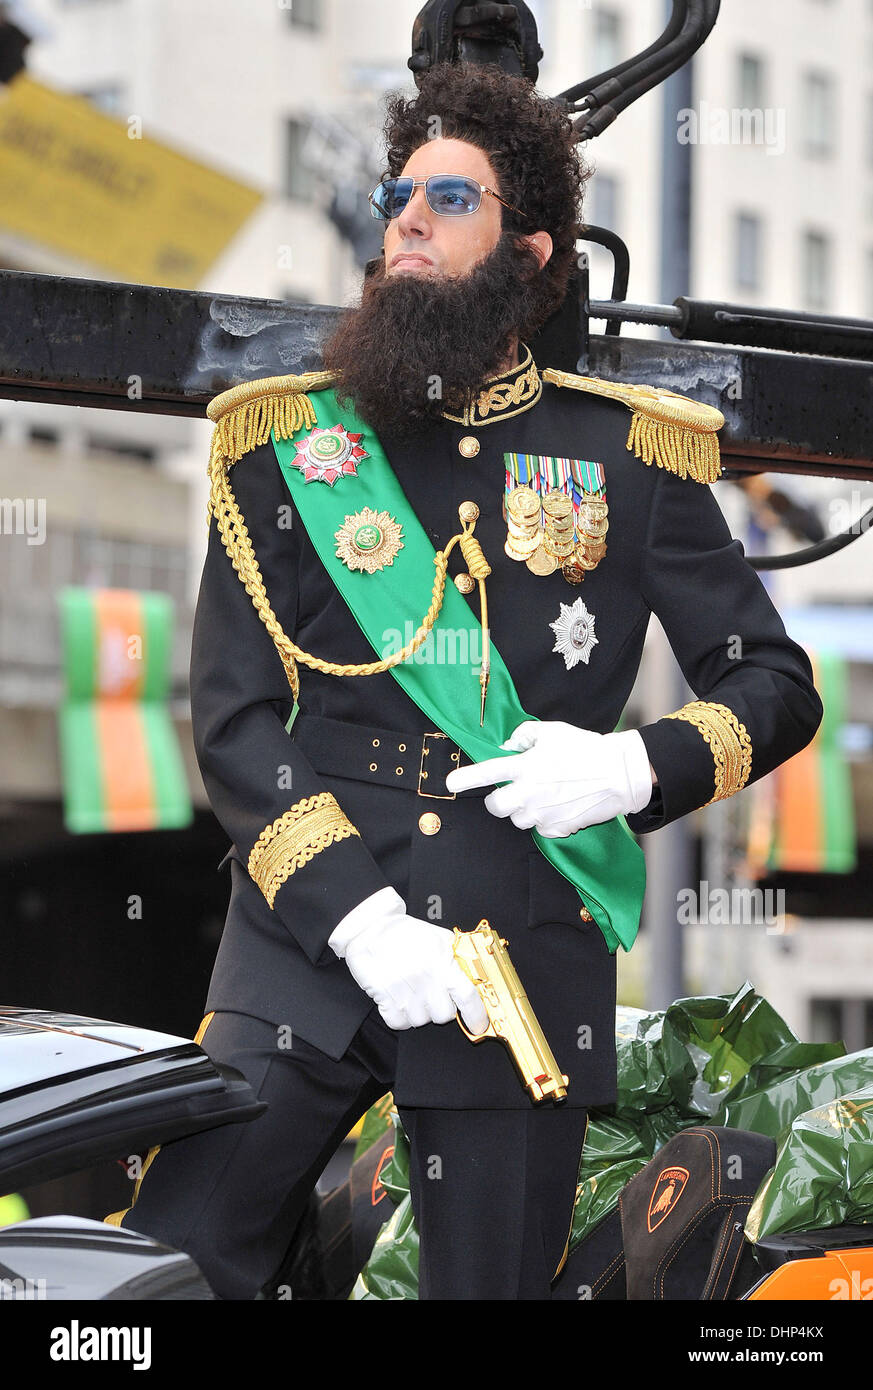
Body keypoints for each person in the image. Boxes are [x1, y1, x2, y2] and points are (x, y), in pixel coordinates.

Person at [109, 62, 823, 1300]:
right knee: (161, 1270)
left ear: (531, 249)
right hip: (311, 938)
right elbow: (231, 718)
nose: (407, 221)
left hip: (520, 944)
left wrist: (628, 768)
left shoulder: (627, 452)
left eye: (449, 196)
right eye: (399, 195)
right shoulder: (285, 442)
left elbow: (775, 679)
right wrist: (360, 919)